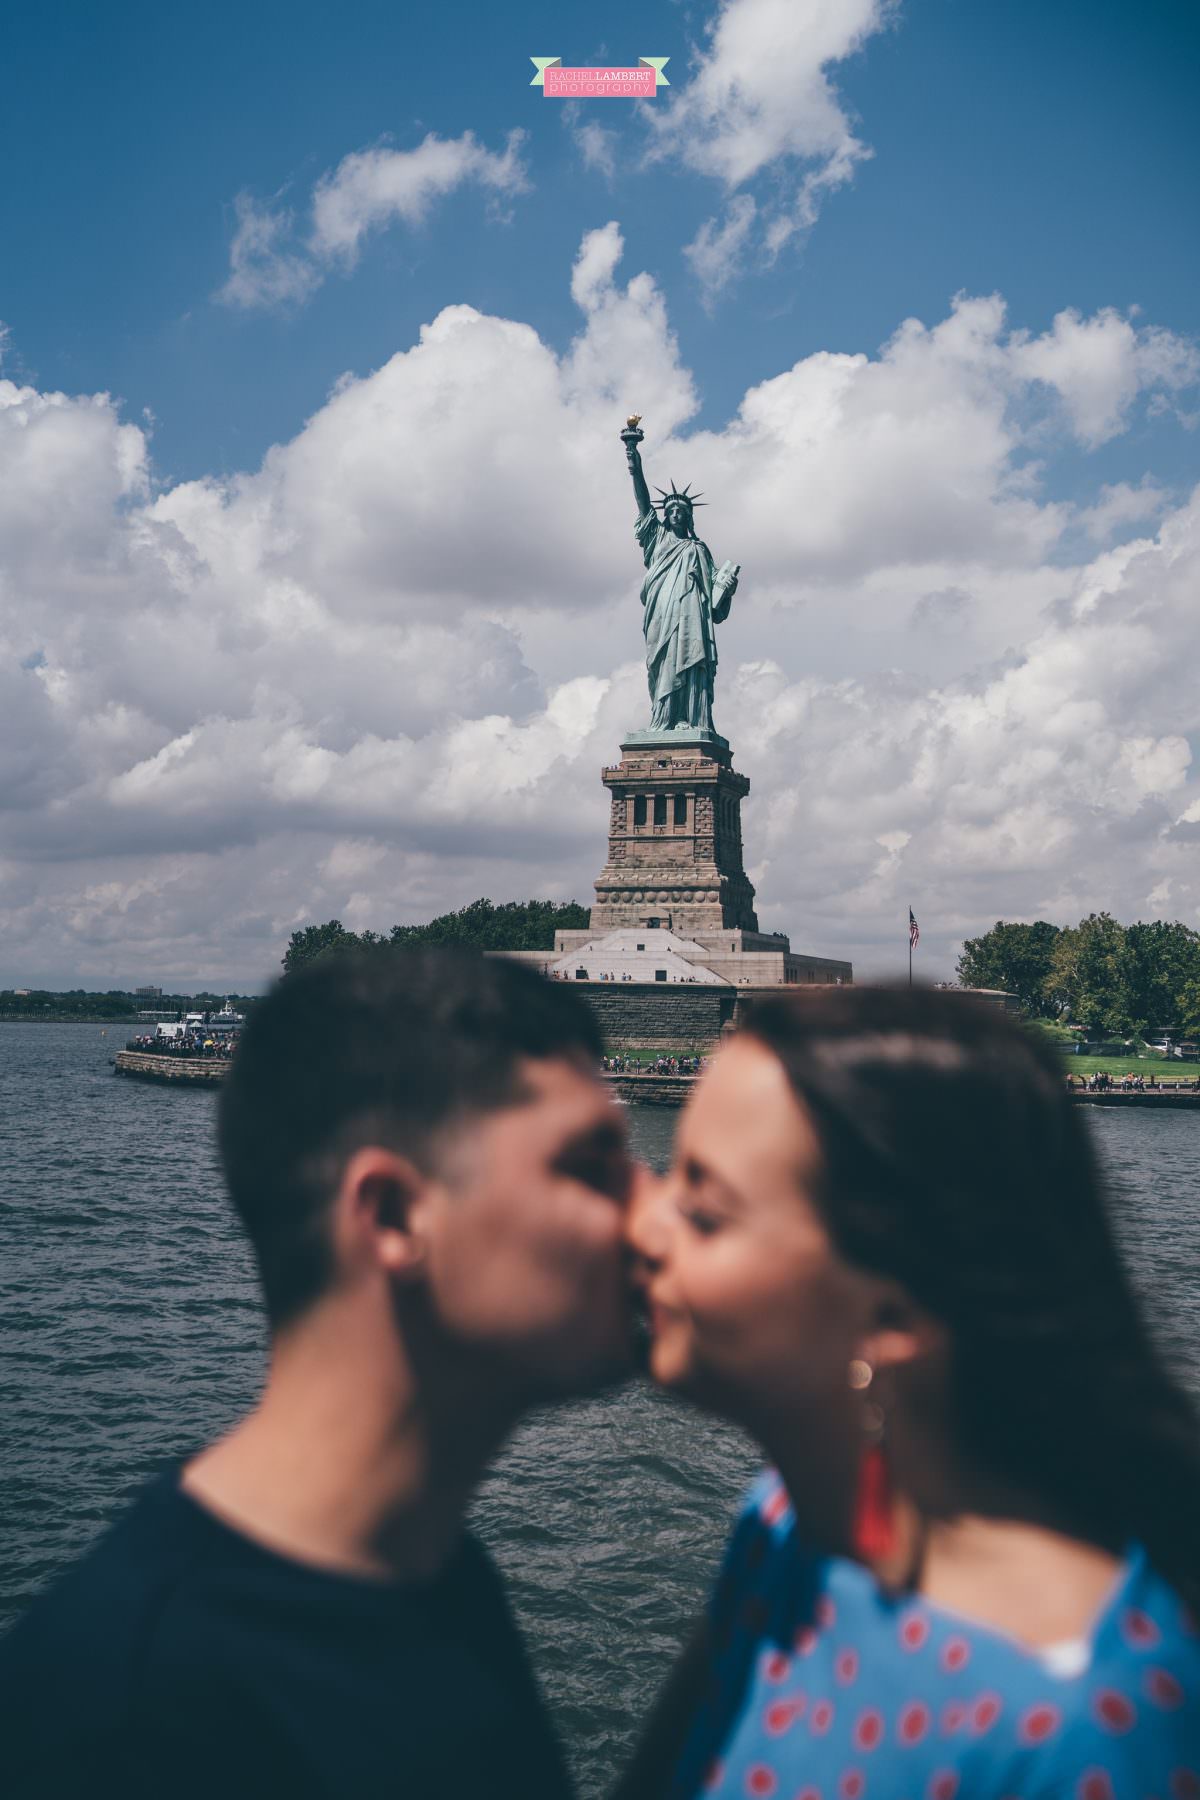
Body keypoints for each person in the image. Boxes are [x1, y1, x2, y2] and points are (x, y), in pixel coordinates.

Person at [0, 949, 635, 1799]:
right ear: (396, 1216)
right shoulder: (117, 1719)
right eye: (592, 1167)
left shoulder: (435, 1573)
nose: (656, 1211)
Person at [623, 986, 1200, 1798]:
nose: (641, 1224)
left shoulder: (1096, 1733)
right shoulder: (786, 1520)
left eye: (705, 1213)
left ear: (888, 1314)